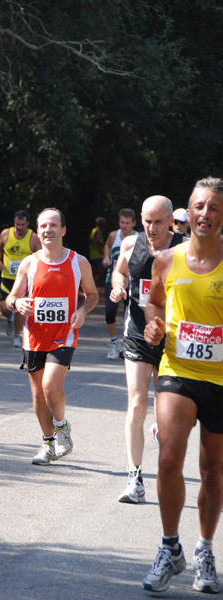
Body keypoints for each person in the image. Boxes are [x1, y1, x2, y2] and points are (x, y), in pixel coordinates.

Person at [142, 177, 223, 594]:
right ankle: (170, 547)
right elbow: (154, 302)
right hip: (177, 370)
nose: (204, 214)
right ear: (186, 213)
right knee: (169, 458)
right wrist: (154, 325)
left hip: (222, 379)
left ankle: (205, 550)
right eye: (198, 206)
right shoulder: (166, 260)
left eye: (213, 207)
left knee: (213, 472)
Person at [6, 208, 98, 465]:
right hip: (34, 337)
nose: (48, 230)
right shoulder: (30, 263)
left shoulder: (78, 262)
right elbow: (11, 297)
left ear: (63, 230)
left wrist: (82, 310)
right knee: (38, 396)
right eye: (43, 226)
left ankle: (61, 427)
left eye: (53, 225)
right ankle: (48, 444)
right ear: (38, 231)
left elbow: (92, 295)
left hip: (64, 335)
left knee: (50, 386)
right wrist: (17, 305)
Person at [110, 195, 184, 503]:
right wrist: (117, 286)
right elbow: (119, 271)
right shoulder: (130, 244)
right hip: (137, 334)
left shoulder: (184, 249)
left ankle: (161, 429)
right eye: (146, 221)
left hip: (172, 338)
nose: (151, 228)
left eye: (157, 222)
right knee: (137, 402)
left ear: (170, 221)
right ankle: (135, 478)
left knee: (168, 413)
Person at [0, 210, 41, 348]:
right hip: (7, 277)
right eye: (17, 224)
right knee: (4, 308)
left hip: (24, 279)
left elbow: (40, 257)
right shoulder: (6, 234)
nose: (19, 227)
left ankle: (16, 335)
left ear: (28, 224)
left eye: (22, 225)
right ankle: (9, 319)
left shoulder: (34, 238)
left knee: (20, 307)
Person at [102, 208, 137, 359]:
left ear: (134, 223)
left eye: (127, 223)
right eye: (122, 222)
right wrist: (106, 257)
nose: (124, 225)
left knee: (128, 313)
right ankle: (114, 342)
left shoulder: (139, 238)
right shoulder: (113, 235)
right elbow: (107, 245)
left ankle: (126, 343)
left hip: (132, 280)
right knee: (110, 311)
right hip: (113, 277)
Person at [89, 216, 106, 284]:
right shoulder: (98, 231)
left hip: (93, 255)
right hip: (98, 255)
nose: (105, 224)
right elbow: (98, 241)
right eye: (104, 222)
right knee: (99, 273)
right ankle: (91, 286)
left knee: (94, 273)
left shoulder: (93, 230)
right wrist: (101, 249)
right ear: (101, 223)